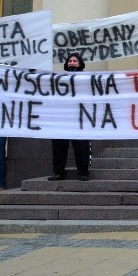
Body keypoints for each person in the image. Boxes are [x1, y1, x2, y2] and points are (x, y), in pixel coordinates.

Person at [48, 53, 91, 181]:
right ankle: (58, 172)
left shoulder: (87, 79)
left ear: (80, 63)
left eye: (75, 61)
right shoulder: (59, 79)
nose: (72, 63)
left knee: (81, 148)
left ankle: (83, 172)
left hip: (80, 119)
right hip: (62, 118)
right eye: (70, 61)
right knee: (59, 148)